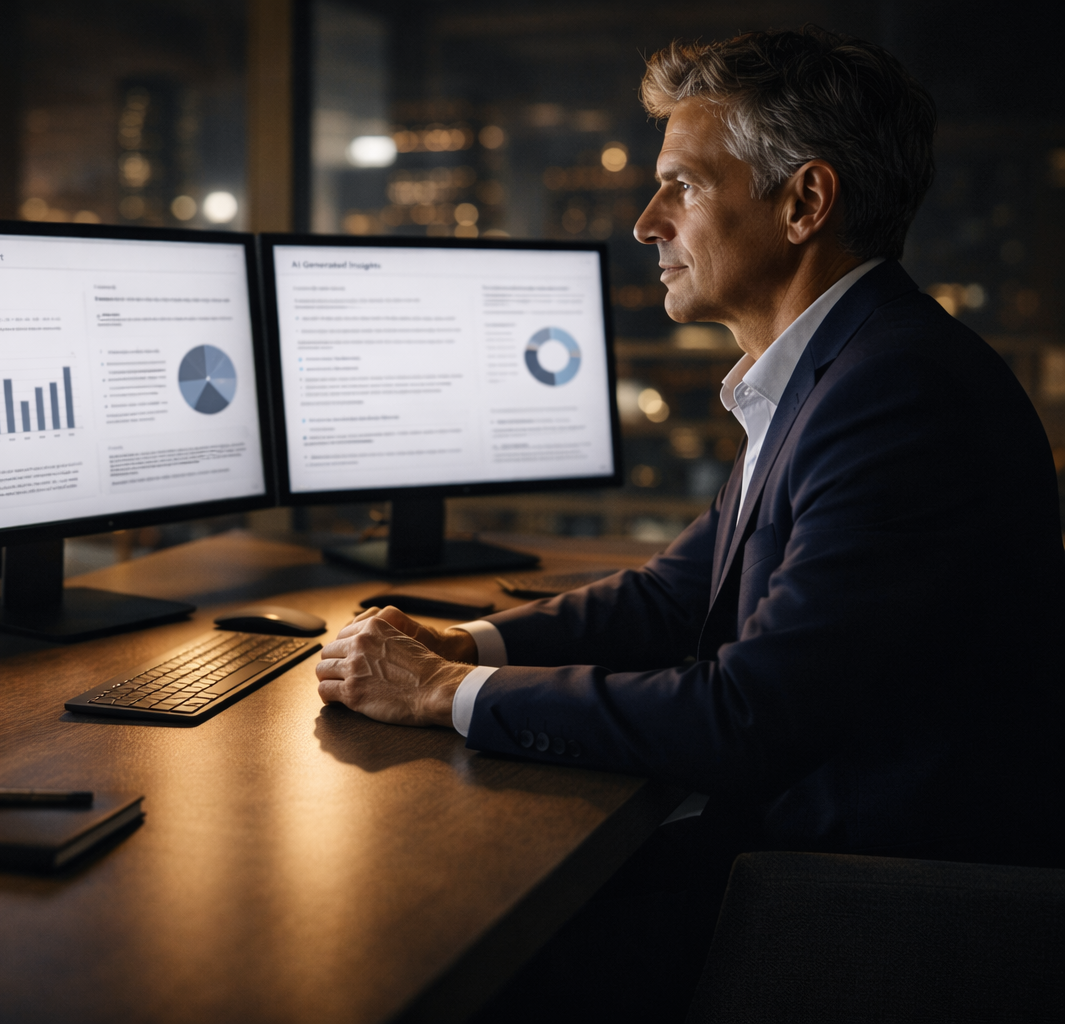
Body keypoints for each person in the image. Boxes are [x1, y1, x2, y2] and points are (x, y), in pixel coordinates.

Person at [315, 27, 1064, 1020]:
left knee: (412, 953)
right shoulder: (842, 369)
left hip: (864, 903)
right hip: (814, 852)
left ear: (805, 202)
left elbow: (747, 715)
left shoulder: (896, 394)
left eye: (683, 184)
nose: (644, 221)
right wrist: (465, 639)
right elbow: (678, 592)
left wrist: (451, 691)